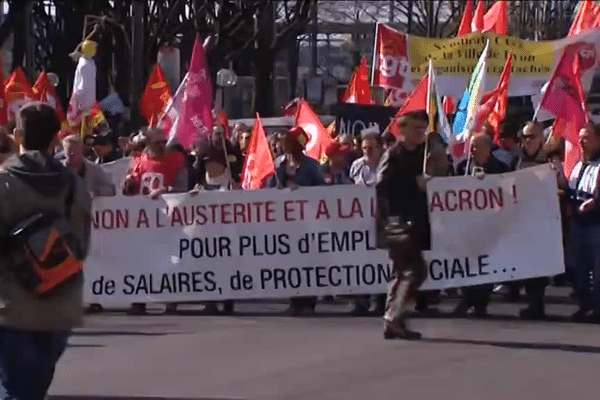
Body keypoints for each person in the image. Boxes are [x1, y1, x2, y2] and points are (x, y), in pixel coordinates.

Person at [0, 102, 91, 399]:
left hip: (10, 308)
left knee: (15, 389)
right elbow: (81, 245)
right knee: (32, 388)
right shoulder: (75, 185)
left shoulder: (4, 183)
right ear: (56, 139)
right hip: (60, 305)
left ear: (16, 135)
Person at [376, 110, 430, 340]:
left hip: (414, 220)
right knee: (413, 270)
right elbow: (382, 186)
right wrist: (413, 185)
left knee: (402, 272)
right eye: (417, 128)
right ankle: (394, 316)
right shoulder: (394, 155)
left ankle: (394, 318)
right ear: (403, 130)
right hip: (397, 221)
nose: (421, 133)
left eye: (423, 128)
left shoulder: (420, 155)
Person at [268, 126, 326, 315]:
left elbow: (323, 191)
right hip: (286, 223)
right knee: (290, 262)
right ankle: (294, 300)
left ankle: (308, 301)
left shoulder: (311, 166)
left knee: (308, 262)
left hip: (307, 222)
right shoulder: (279, 164)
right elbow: (268, 188)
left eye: (288, 141)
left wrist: (302, 190)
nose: (283, 144)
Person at [454, 133, 510, 317]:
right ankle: (467, 298)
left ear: (488, 149)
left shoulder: (500, 168)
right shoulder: (463, 167)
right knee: (466, 262)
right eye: (471, 146)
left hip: (489, 224)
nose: (472, 150)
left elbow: (507, 193)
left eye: (476, 146)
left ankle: (480, 302)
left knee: (484, 263)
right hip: (466, 224)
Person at [514, 122, 552, 319]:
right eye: (525, 137)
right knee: (527, 265)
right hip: (522, 220)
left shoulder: (550, 160)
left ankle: (538, 304)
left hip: (543, 221)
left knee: (540, 266)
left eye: (532, 136)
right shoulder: (517, 160)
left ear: (541, 139)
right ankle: (532, 303)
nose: (528, 141)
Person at [565, 122, 600, 323]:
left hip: (595, 224)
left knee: (597, 271)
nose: (582, 141)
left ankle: (596, 308)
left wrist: (595, 203)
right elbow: (571, 189)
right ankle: (585, 303)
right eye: (580, 138)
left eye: (586, 137)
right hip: (577, 224)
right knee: (574, 267)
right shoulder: (579, 164)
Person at [349, 128, 385, 315]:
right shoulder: (356, 166)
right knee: (361, 262)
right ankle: (361, 301)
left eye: (371, 148)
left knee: (381, 260)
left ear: (380, 148)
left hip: (382, 221)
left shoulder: (387, 166)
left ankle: (381, 300)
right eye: (364, 148)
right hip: (360, 223)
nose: (367, 152)